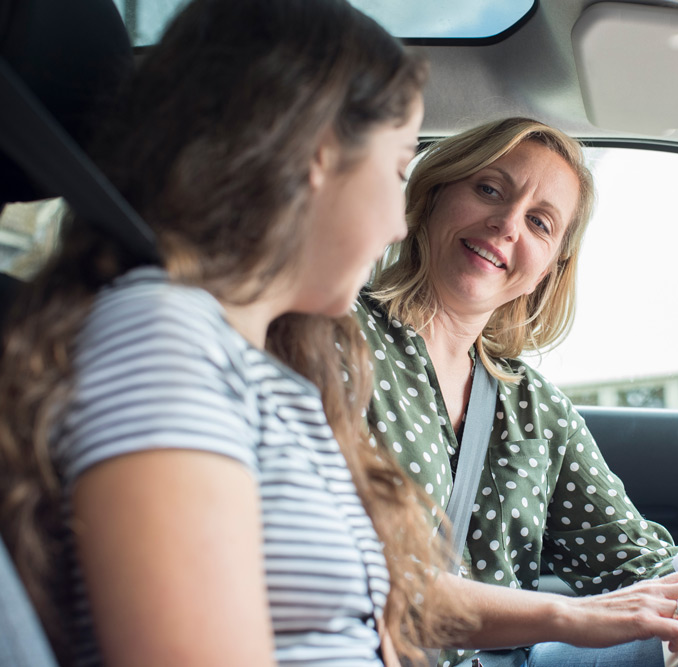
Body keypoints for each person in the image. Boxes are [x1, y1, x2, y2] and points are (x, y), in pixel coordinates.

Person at [0, 0, 470, 664]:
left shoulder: (267, 370)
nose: (400, 224)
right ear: (318, 150)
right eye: (399, 169)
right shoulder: (161, 339)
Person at [359, 117, 678, 667]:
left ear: (549, 271)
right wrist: (567, 617)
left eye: (539, 222)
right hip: (377, 650)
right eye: (489, 189)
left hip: (508, 661)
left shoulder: (534, 408)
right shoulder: (340, 339)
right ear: (433, 197)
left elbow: (637, 570)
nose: (507, 224)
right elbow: (354, 575)